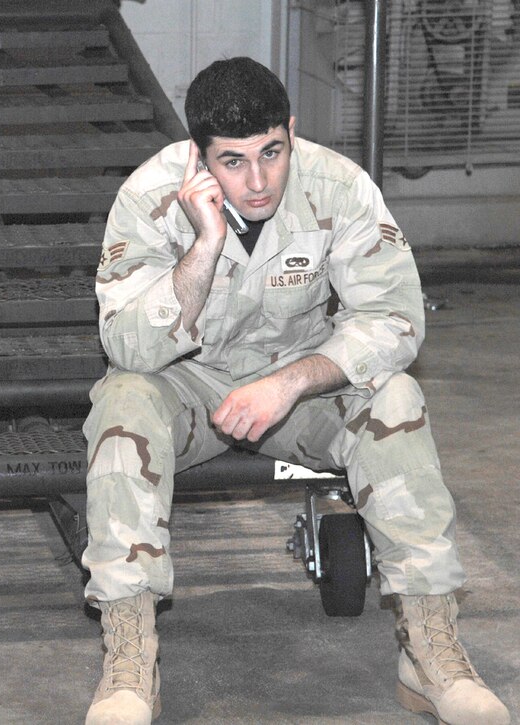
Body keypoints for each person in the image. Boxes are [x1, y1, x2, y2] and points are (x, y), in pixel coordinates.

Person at [82, 57, 511, 725]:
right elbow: (129, 348)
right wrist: (203, 246)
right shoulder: (150, 196)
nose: (257, 181)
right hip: (188, 389)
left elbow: (396, 319)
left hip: (298, 387)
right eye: (232, 161)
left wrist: (289, 381)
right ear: (199, 157)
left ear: (291, 130)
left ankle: (429, 648)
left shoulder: (338, 187)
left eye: (271, 152)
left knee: (394, 398)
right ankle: (131, 659)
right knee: (122, 402)